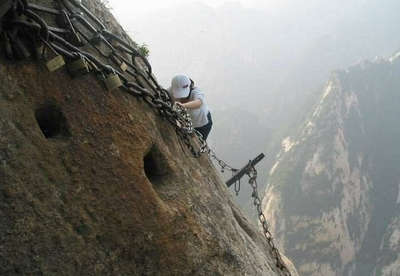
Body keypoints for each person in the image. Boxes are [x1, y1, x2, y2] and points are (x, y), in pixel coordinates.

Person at [169, 74, 212, 140]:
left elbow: (199, 103)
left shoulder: (196, 92)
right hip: (188, 122)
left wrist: (183, 106)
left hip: (202, 123)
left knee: (200, 142)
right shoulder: (173, 89)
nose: (181, 97)